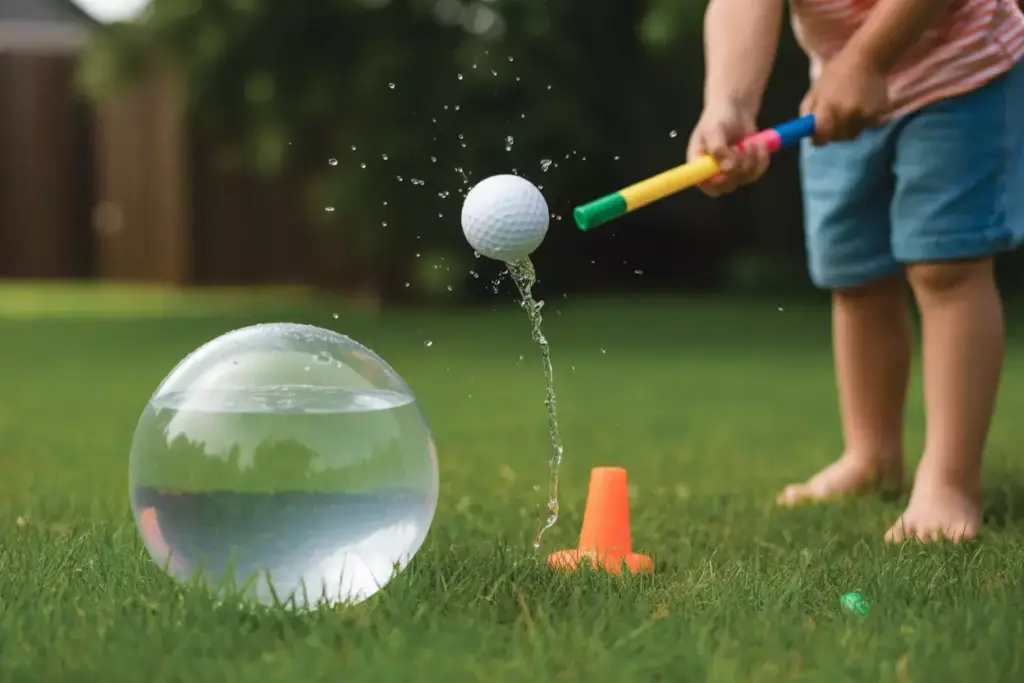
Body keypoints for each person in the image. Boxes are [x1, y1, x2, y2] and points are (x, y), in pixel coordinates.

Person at [687, 0, 1024, 543]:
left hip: (961, 72)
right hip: (836, 98)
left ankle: (950, 482)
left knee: (948, 270)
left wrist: (867, 58)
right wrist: (728, 102)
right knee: (855, 278)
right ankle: (872, 456)